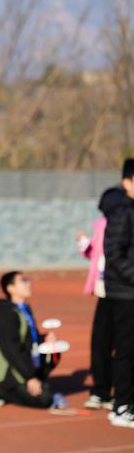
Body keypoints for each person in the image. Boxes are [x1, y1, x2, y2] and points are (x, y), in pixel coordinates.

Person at [0, 272, 66, 410]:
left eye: (27, 280)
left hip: (25, 363)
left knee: (53, 350)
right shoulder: (5, 314)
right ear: (10, 288)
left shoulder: (24, 309)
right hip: (9, 371)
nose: (29, 283)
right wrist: (29, 377)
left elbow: (28, 339)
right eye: (23, 281)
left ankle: (36, 382)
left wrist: (44, 338)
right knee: (45, 400)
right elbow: (12, 350)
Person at [76, 187, 126, 411]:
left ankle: (122, 395)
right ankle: (101, 391)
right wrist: (84, 243)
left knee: (124, 346)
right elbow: (97, 254)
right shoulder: (102, 225)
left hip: (126, 291)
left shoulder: (126, 220)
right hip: (106, 291)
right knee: (101, 343)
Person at [104, 158, 134, 428]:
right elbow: (114, 254)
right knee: (126, 349)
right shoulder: (122, 212)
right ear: (127, 182)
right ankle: (121, 406)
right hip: (125, 294)